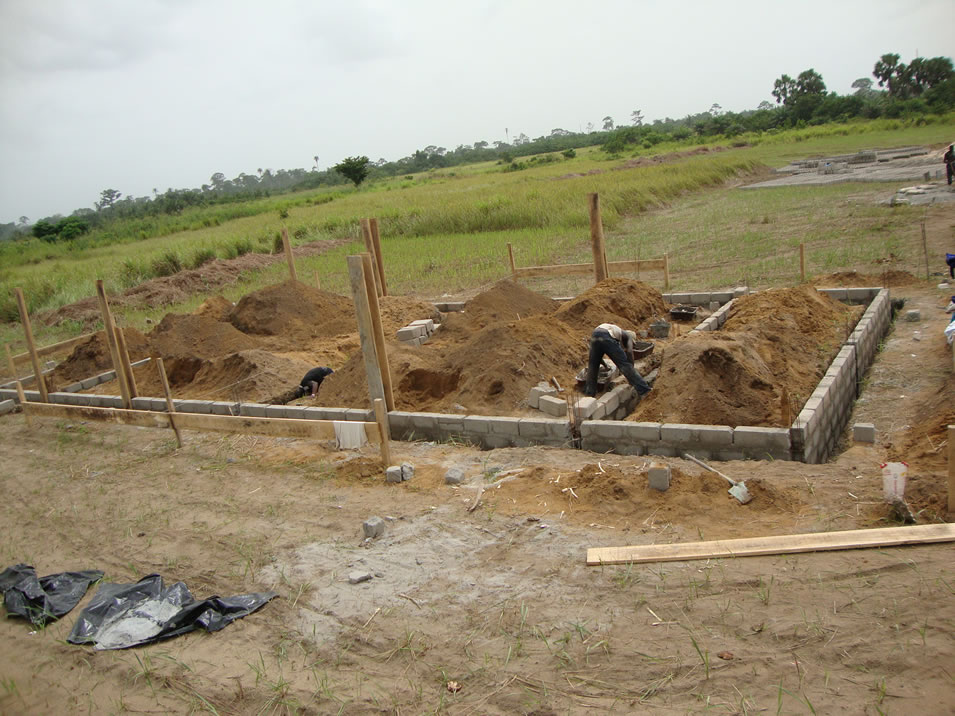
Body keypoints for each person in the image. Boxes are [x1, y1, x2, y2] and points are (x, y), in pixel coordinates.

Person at [584, 323, 652, 398]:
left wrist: (605, 365)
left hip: (595, 334)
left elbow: (598, 359)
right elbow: (629, 352)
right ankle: (644, 390)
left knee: (593, 366)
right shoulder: (628, 337)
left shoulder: (615, 331)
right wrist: (630, 368)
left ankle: (589, 394)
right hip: (606, 335)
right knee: (624, 365)